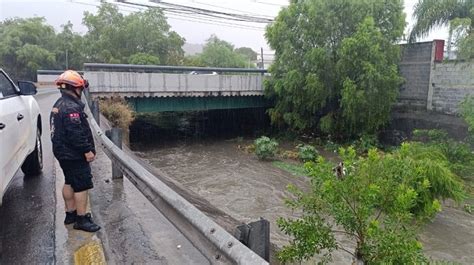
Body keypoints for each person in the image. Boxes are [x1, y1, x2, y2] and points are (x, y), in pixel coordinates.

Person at [50, 70, 100, 232]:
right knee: (81, 185)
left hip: (62, 153)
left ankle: (70, 214)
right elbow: (75, 133)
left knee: (69, 181)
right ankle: (81, 219)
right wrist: (87, 150)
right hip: (74, 154)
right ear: (75, 89)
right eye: (80, 88)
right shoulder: (71, 107)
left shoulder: (59, 104)